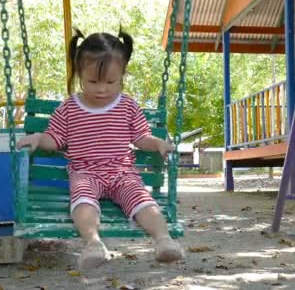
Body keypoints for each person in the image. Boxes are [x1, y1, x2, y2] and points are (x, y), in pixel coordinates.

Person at [17, 28, 184, 269]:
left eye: (111, 81)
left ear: (122, 75)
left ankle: (164, 240)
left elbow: (140, 137)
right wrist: (38, 138)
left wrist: (157, 143)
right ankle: (93, 243)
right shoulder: (69, 108)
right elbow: (55, 138)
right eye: (92, 81)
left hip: (122, 172)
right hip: (85, 172)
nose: (102, 88)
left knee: (143, 200)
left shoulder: (127, 106)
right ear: (79, 75)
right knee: (82, 201)